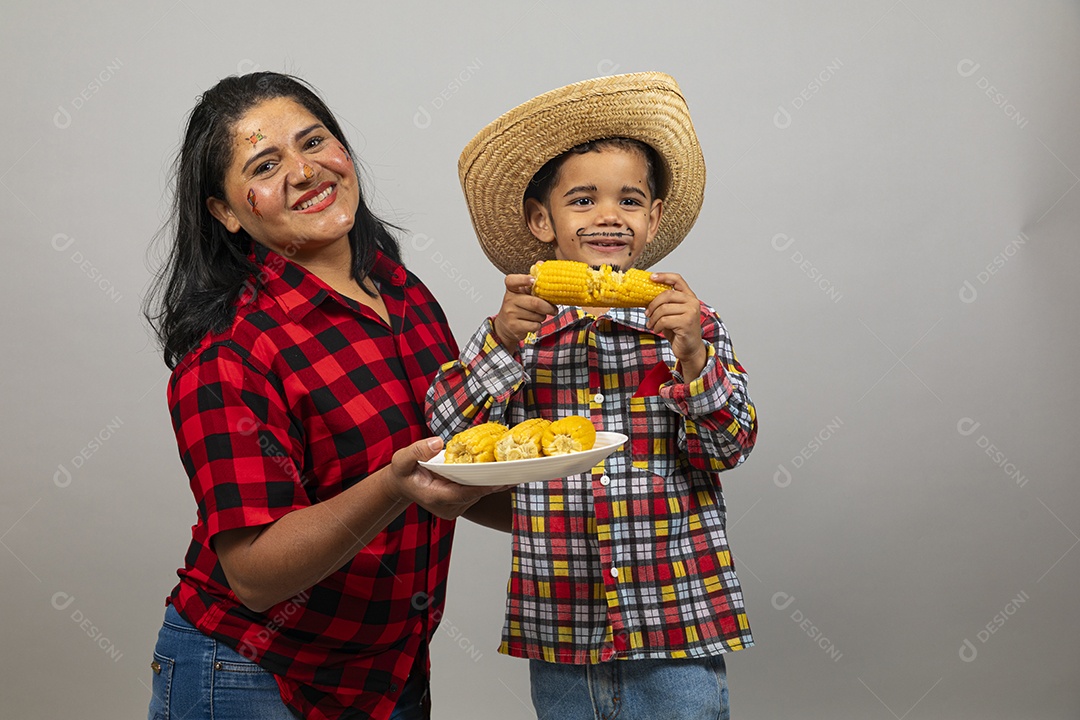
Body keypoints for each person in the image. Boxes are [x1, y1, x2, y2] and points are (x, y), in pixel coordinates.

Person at [143, 72, 508, 720]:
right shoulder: (227, 355)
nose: (305, 170)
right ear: (225, 211)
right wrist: (392, 485)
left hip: (388, 672)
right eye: (265, 163)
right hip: (249, 675)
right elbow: (254, 575)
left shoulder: (403, 292)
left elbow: (449, 470)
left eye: (314, 141)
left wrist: (596, 490)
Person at [427, 72, 758, 720]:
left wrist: (691, 356)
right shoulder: (518, 333)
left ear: (654, 217)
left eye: (630, 200)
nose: (609, 215)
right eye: (583, 200)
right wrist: (499, 342)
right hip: (561, 624)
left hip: (677, 620)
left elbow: (729, 446)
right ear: (539, 220)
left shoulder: (692, 326)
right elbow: (446, 437)